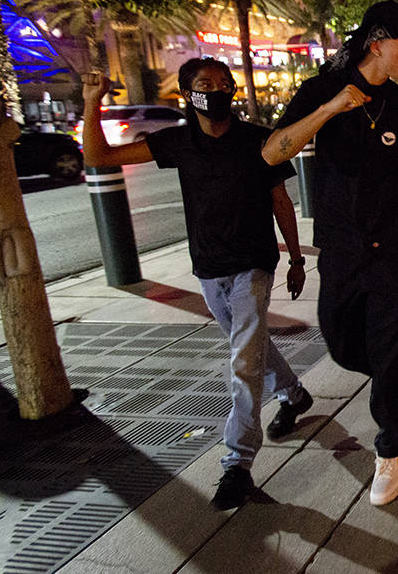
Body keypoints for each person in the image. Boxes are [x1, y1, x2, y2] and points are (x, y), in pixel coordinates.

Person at [263, 1, 398, 507]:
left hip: (392, 251)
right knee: (343, 348)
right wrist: (326, 112)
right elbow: (272, 152)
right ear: (376, 44)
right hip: (340, 249)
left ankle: (390, 449)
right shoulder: (321, 91)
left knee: (381, 356)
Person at [81, 59, 311, 511]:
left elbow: (280, 199)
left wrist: (297, 259)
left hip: (253, 266)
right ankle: (295, 394)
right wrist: (90, 104)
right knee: (251, 342)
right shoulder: (177, 143)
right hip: (208, 269)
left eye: (225, 83)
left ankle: (237, 464)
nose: (218, 90)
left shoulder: (257, 140)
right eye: (206, 84)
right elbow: (99, 156)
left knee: (244, 362)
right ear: (189, 93)